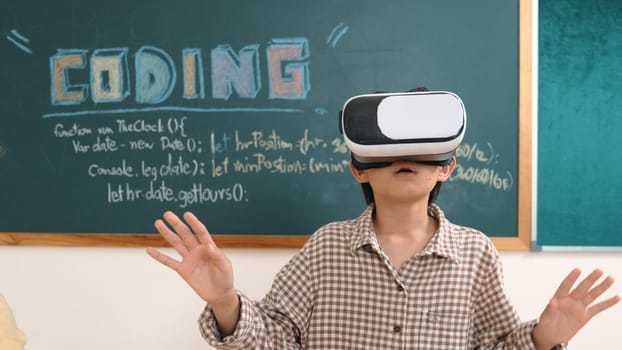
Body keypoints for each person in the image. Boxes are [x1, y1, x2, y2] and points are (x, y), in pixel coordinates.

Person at [147, 89, 620, 349]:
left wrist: (542, 338)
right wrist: (227, 302)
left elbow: (495, 347)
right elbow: (274, 340)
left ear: (447, 165)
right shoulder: (326, 248)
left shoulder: (476, 254)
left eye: (422, 147)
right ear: (358, 166)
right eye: (390, 149)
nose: (405, 156)